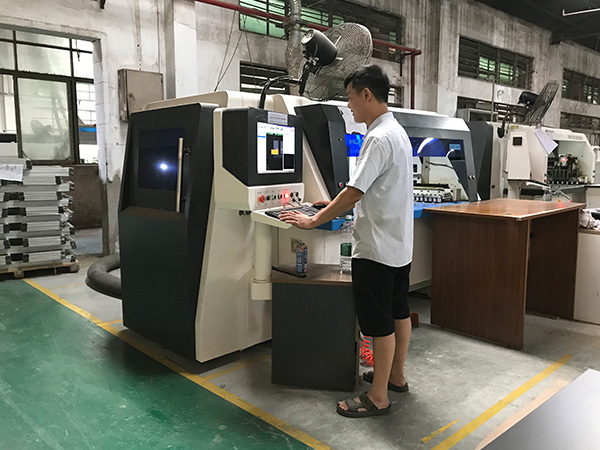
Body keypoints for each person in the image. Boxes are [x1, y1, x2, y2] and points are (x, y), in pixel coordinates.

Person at [279, 64, 414, 418]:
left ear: (367, 94)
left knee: (379, 325)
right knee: (399, 312)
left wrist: (314, 219)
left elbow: (354, 192)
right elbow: (373, 188)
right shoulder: (397, 132)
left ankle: (378, 397)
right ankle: (395, 377)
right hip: (399, 247)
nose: (350, 106)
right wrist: (331, 204)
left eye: (351, 98)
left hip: (376, 250)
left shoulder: (377, 137)